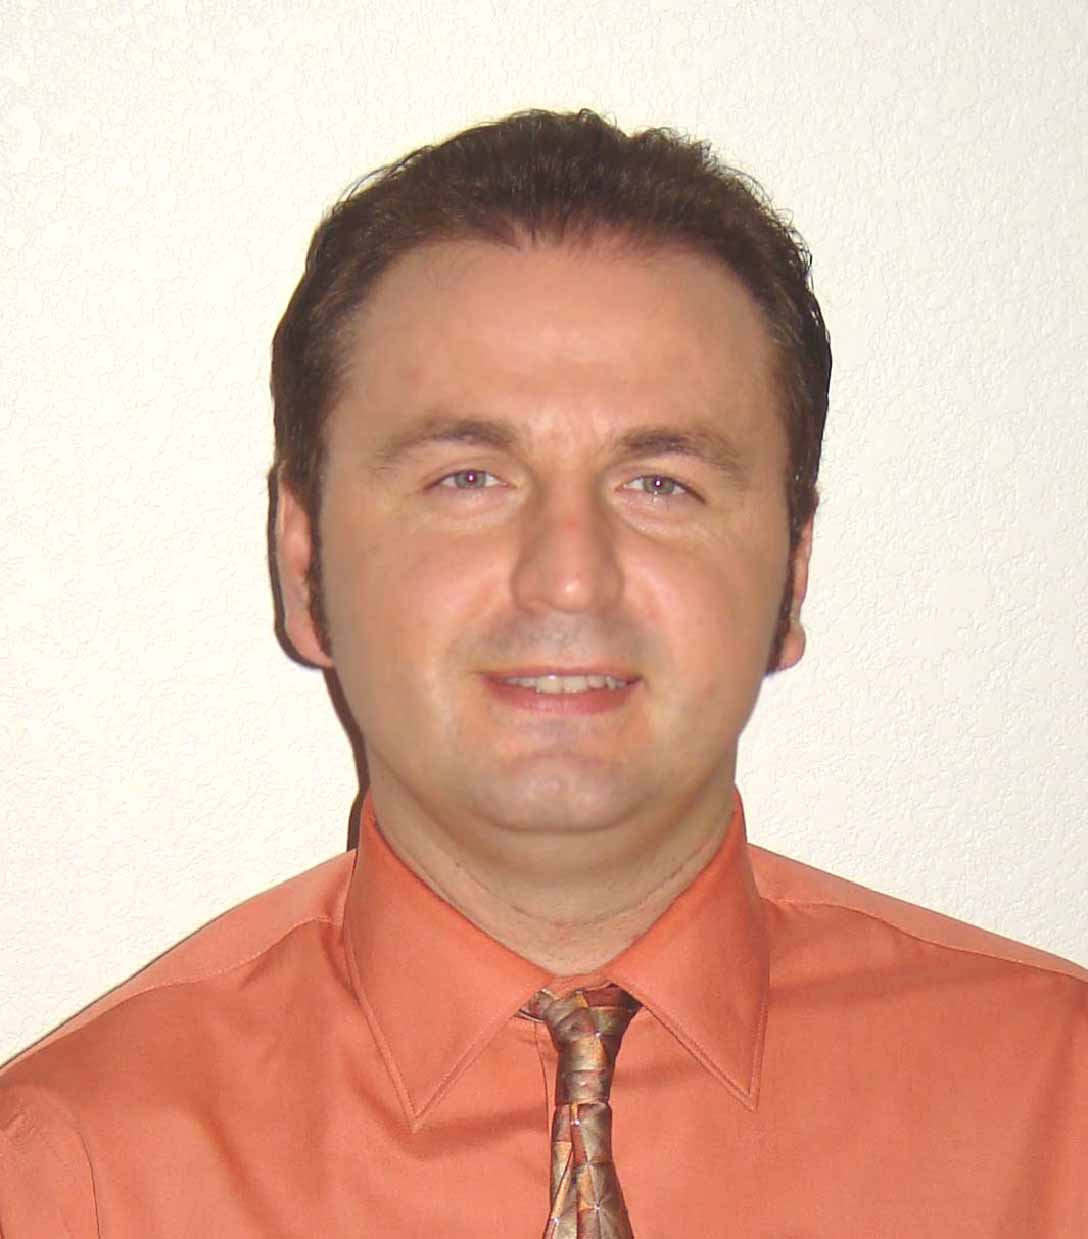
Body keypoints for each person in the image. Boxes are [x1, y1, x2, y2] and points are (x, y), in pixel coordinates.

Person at [0, 109, 1083, 1238]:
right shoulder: (70, 1179)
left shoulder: (1059, 1115)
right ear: (305, 562)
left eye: (660, 484)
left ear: (792, 576)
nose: (568, 579)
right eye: (467, 478)